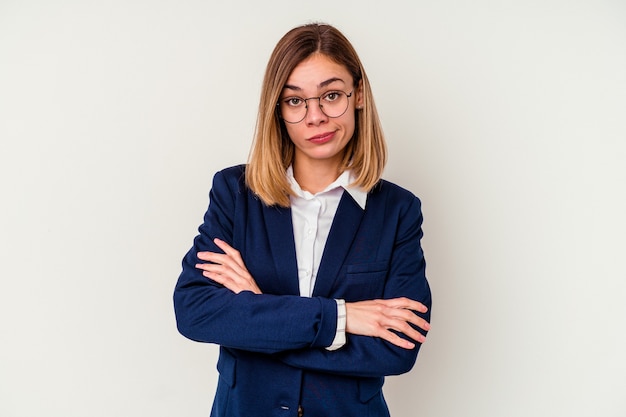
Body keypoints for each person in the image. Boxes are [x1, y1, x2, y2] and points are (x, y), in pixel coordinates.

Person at [174, 22, 432, 417]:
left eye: (331, 96)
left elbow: (397, 347)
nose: (315, 117)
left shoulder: (397, 211)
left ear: (358, 94)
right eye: (295, 101)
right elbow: (196, 312)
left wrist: (258, 311)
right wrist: (341, 318)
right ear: (277, 109)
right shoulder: (235, 194)